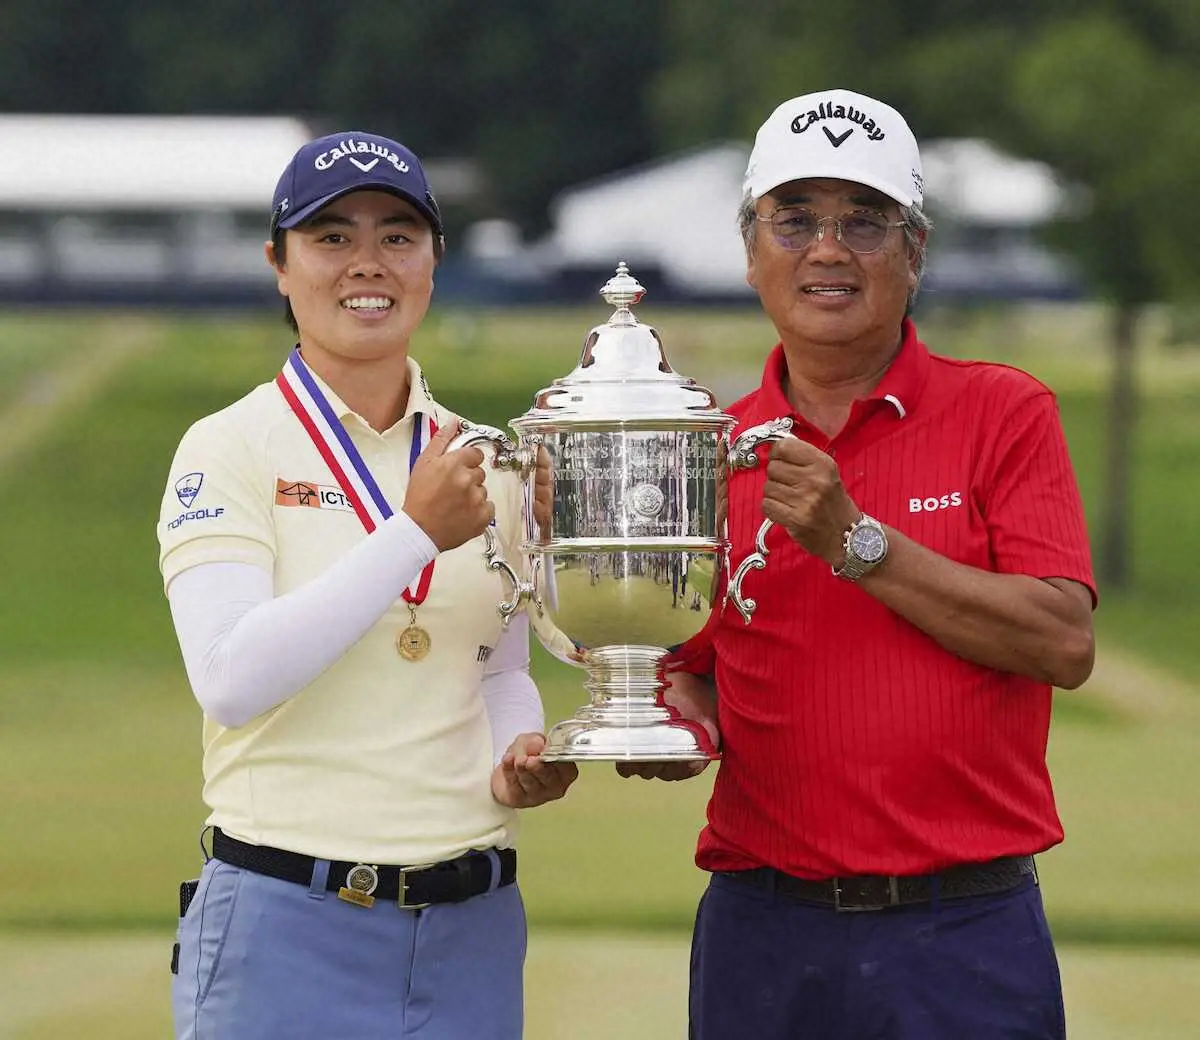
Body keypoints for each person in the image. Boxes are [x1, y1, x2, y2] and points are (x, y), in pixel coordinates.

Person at [619, 89, 1096, 1040]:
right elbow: (697, 670)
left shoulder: (1004, 412)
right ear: (751, 251)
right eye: (795, 220)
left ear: (914, 253)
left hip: (964, 931)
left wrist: (856, 542)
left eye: (865, 222)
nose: (828, 250)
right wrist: (660, 719)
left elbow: (1062, 641)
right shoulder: (706, 450)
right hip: (763, 929)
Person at [156, 130, 577, 1040]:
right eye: (331, 237)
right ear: (279, 265)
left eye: (397, 235)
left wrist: (518, 754)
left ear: (434, 260)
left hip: (471, 926)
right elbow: (230, 677)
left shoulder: (481, 459)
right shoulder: (226, 447)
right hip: (287, 919)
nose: (367, 263)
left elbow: (497, 668)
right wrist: (413, 534)